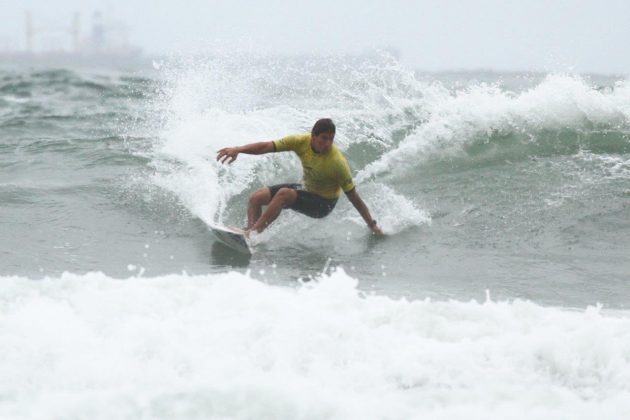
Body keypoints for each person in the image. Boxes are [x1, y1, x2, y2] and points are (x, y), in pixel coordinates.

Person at [216, 118, 384, 237]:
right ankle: (250, 233)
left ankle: (251, 235)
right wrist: (238, 149)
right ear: (313, 136)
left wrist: (372, 225)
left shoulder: (336, 163)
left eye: (331, 139)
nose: (327, 143)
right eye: (323, 138)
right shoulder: (300, 141)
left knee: (284, 193)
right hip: (307, 189)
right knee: (256, 197)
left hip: (324, 204)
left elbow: (355, 198)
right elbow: (267, 146)